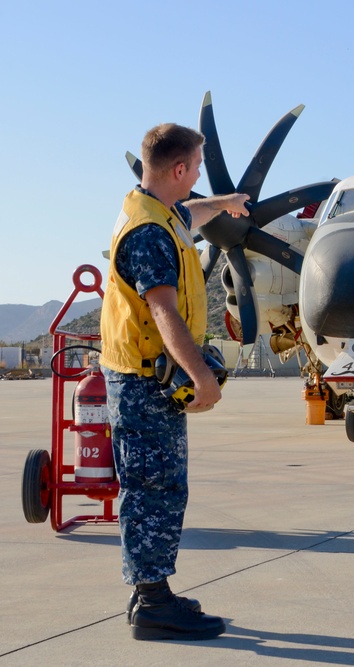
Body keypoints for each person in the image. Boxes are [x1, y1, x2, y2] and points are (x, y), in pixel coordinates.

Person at [100, 123, 250, 640]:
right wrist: (201, 376)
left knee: (160, 489)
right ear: (180, 169)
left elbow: (193, 213)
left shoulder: (158, 212)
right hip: (144, 386)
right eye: (198, 167)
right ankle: (152, 603)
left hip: (144, 381)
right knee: (153, 492)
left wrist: (226, 202)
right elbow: (162, 310)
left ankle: (153, 593)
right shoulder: (149, 234)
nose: (200, 176)